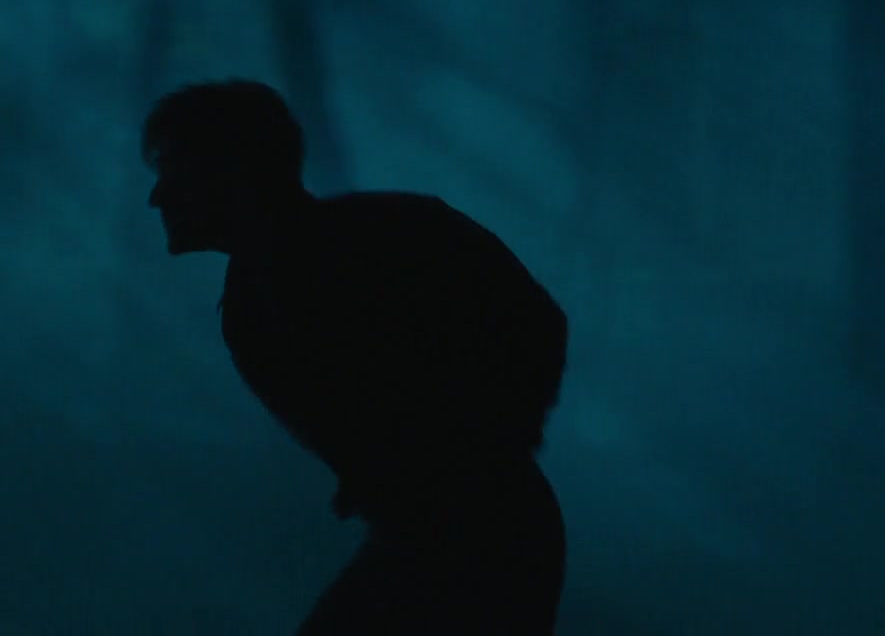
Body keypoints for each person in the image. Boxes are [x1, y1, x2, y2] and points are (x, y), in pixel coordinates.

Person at [143, 79, 569, 634]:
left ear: (228, 168)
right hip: (430, 537)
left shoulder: (397, 234)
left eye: (172, 169)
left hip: (478, 536)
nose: (158, 196)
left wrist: (483, 450)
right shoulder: (247, 309)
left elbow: (532, 322)